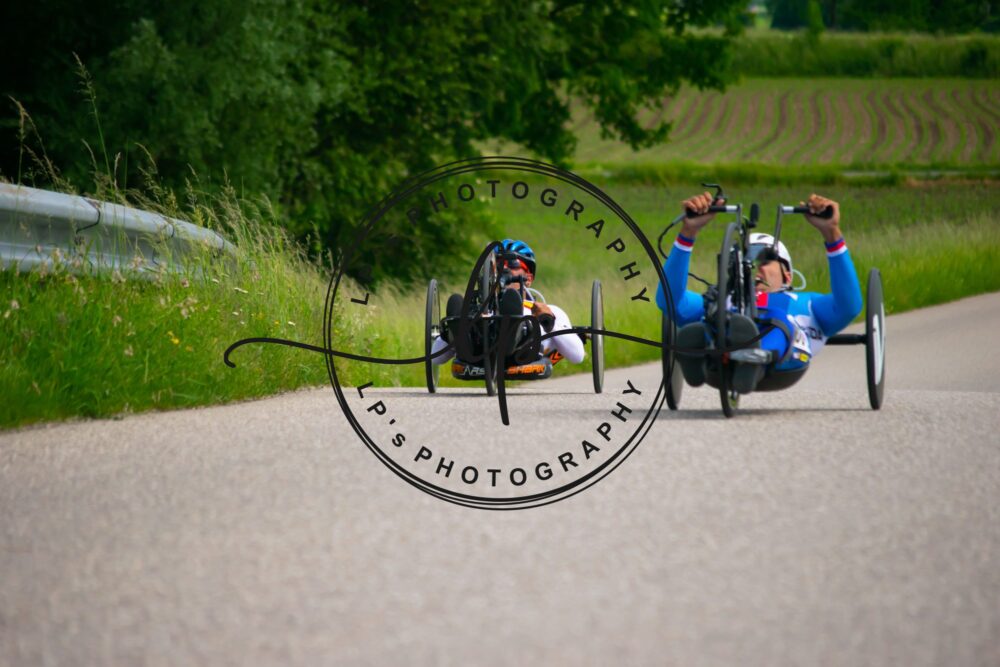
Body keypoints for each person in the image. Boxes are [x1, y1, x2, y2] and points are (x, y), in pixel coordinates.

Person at [656, 192, 863, 393]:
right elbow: (669, 301)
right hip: (722, 357)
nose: (753, 268)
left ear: (787, 276)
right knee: (712, 319)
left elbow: (849, 306)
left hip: (784, 356)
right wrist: (688, 233)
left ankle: (754, 358)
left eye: (764, 261)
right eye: (744, 263)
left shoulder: (807, 302)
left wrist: (831, 233)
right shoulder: (719, 300)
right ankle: (700, 348)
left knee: (777, 319)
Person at [432, 239, 585, 374]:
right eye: (498, 264)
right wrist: (454, 329)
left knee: (511, 300)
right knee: (457, 302)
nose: (504, 268)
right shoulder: (480, 309)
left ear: (528, 278)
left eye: (513, 264)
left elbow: (577, 356)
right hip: (475, 354)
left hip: (524, 353)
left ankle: (510, 321)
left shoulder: (550, 310)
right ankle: (463, 329)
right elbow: (437, 357)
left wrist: (550, 322)